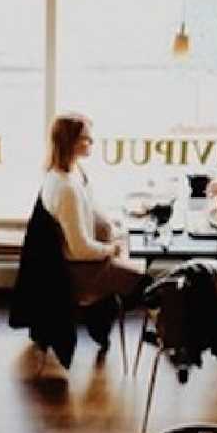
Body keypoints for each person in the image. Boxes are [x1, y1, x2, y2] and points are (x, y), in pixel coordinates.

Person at [39, 114, 147, 345]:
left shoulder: (67, 173)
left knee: (139, 270)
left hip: (87, 261)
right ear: (71, 142)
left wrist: (113, 226)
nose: (92, 143)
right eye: (86, 139)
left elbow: (89, 211)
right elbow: (79, 249)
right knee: (147, 284)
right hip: (82, 270)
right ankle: (167, 336)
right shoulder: (66, 188)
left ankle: (101, 317)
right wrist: (111, 250)